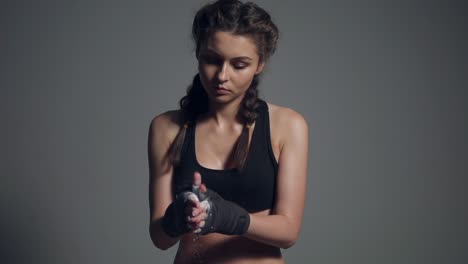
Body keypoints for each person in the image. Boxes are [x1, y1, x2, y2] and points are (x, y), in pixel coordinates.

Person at [148, 0, 308, 263]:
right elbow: (160, 238)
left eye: (239, 65)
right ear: (198, 54)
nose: (222, 75)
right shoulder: (166, 128)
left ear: (260, 64)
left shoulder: (288, 125)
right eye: (212, 60)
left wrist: (229, 217)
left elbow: (289, 232)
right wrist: (177, 217)